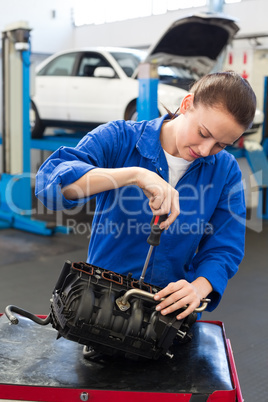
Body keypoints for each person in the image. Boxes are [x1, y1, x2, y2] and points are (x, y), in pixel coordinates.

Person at [35, 71, 256, 321]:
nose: (206, 150)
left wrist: (199, 287)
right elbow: (51, 187)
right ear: (186, 104)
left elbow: (224, 247)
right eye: (203, 133)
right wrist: (134, 175)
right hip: (99, 307)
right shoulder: (119, 139)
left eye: (221, 145)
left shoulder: (225, 170)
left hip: (168, 313)